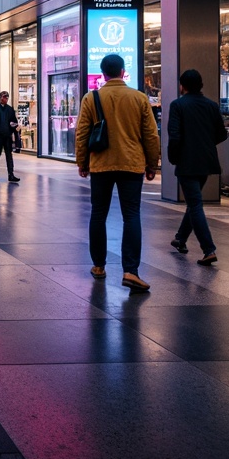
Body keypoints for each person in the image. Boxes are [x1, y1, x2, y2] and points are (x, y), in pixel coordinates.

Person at [75, 53, 160, 292]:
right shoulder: (139, 98)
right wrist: (152, 164)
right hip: (131, 164)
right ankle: (131, 271)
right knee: (131, 215)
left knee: (98, 214)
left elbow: (82, 133)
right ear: (123, 72)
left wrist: (82, 162)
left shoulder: (91, 98)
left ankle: (99, 266)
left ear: (103, 73)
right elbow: (151, 136)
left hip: (101, 164)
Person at [166, 69, 228, 264]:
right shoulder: (211, 105)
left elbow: (174, 135)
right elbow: (222, 133)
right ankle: (180, 238)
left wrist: (173, 157)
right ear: (201, 84)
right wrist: (206, 145)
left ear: (182, 85)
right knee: (194, 201)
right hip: (206, 161)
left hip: (187, 161)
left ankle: (209, 249)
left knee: (195, 204)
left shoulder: (178, 105)